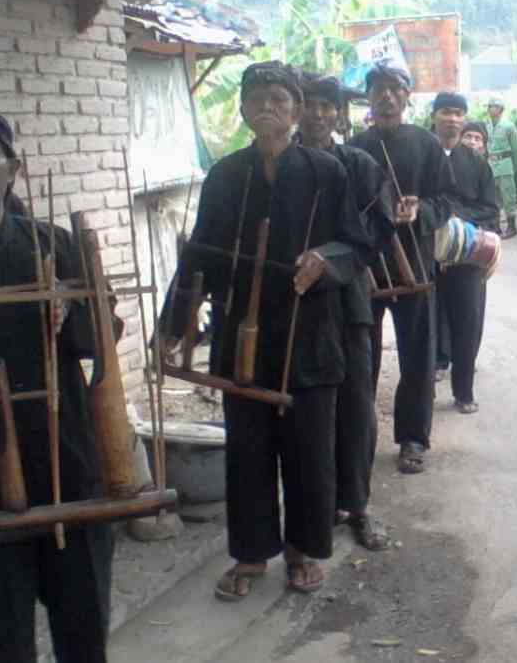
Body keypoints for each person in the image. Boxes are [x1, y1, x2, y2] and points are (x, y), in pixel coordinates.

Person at [162, 61, 385, 599]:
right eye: (257, 98)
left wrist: (324, 261)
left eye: (280, 99)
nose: (268, 108)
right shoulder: (224, 175)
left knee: (310, 449)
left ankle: (302, 550)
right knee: (248, 448)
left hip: (310, 333)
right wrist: (176, 320)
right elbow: (199, 253)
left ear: (297, 109)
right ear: (241, 109)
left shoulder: (327, 172)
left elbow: (357, 245)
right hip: (244, 331)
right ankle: (251, 554)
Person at [0, 102, 114, 662]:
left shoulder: (54, 245)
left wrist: (75, 308)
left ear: (13, 169)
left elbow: (99, 345)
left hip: (68, 466)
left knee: (84, 634)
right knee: (3, 643)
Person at [296, 72, 395, 551]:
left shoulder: (358, 163)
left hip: (350, 300)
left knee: (356, 403)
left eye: (326, 106)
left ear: (339, 113)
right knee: (304, 411)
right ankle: (311, 508)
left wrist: (334, 260)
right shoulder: (277, 163)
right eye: (309, 103)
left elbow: (379, 229)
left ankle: (357, 504)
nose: (317, 113)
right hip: (291, 305)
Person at [349, 63, 451, 475]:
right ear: (369, 98)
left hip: (416, 266)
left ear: (408, 97)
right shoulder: (354, 147)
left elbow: (446, 201)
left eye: (394, 89)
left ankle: (413, 438)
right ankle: (359, 435)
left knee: (417, 355)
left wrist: (419, 210)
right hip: (366, 268)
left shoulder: (426, 145)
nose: (386, 97)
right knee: (362, 355)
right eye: (378, 89)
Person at [431, 95, 500, 414]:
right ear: (434, 117)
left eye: (459, 113)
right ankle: (425, 380)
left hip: (467, 253)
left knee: (467, 321)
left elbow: (490, 210)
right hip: (425, 253)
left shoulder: (476, 163)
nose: (453, 119)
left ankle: (464, 391)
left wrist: (458, 222)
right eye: (446, 112)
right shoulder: (421, 154)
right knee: (424, 320)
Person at [486, 97, 517, 239]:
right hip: (490, 165)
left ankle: (512, 227)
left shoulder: (509, 126)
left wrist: (514, 166)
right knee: (492, 198)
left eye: (492, 106)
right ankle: (496, 227)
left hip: (505, 164)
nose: (489, 109)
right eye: (488, 106)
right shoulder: (487, 126)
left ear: (500, 109)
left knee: (508, 197)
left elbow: (516, 149)